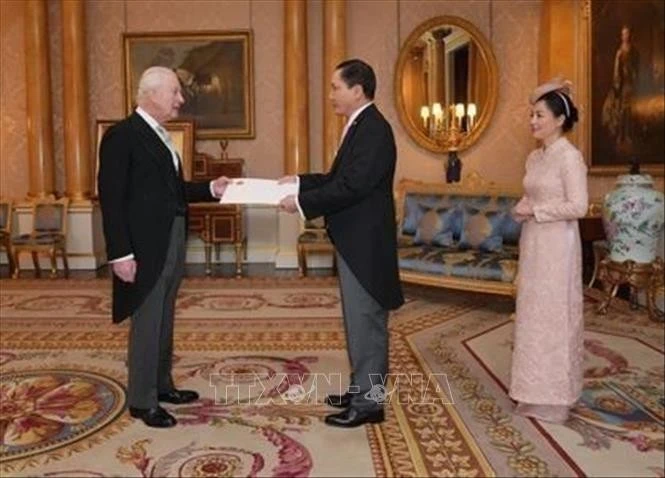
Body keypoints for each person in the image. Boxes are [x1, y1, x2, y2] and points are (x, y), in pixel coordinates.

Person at [97, 66, 229, 428]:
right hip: (142, 246)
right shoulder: (122, 136)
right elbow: (111, 199)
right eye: (174, 92)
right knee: (148, 318)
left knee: (165, 315)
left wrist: (209, 190)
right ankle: (142, 400)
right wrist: (120, 254)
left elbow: (172, 191)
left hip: (170, 238)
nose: (181, 100)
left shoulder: (159, 135)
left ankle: (161, 385)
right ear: (151, 94)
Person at [278, 59, 404, 428]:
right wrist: (298, 182)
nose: (331, 94)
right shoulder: (360, 126)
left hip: (365, 244)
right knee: (357, 321)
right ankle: (362, 388)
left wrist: (301, 203)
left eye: (335, 87)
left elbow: (352, 187)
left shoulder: (374, 131)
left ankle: (369, 405)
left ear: (357, 90)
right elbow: (337, 178)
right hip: (355, 241)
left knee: (366, 322)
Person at [510, 78, 588, 424]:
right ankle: (531, 390)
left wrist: (537, 213)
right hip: (534, 243)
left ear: (559, 120)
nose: (533, 121)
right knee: (532, 314)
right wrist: (523, 206)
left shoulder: (570, 158)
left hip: (558, 244)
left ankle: (556, 396)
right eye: (531, 115)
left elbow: (579, 206)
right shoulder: (534, 156)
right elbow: (534, 193)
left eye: (539, 115)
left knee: (554, 317)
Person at [602, 25, 640, 153]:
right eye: (624, 34)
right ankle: (620, 136)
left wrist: (634, 75)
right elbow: (616, 70)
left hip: (630, 84)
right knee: (622, 111)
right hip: (622, 85)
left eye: (627, 34)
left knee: (630, 111)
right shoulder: (619, 52)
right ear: (621, 36)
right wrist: (617, 84)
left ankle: (628, 135)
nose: (626, 36)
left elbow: (636, 66)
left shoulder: (633, 50)